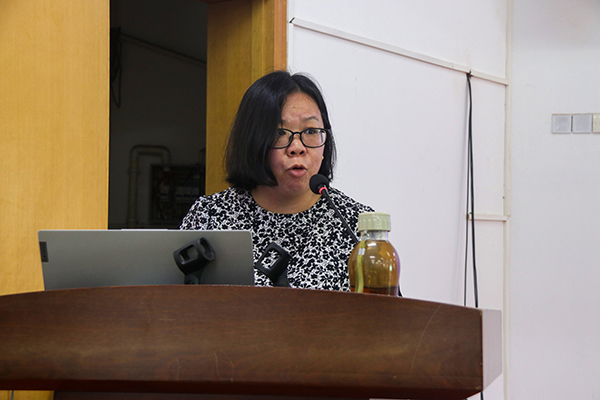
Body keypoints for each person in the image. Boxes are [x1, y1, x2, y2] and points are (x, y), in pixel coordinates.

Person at [180, 71, 373, 291]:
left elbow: (383, 308)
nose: (297, 147)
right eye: (280, 132)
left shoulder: (356, 224)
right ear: (253, 140)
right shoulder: (209, 216)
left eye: (311, 131)